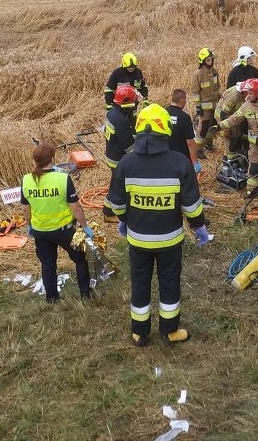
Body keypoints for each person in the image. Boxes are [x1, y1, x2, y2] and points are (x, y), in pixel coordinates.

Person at [105, 104, 210, 347]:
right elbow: (192, 205)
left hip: (138, 240)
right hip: (170, 240)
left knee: (140, 282)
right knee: (169, 282)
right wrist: (199, 227)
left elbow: (116, 204)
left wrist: (123, 221)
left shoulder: (125, 163)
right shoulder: (180, 163)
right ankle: (169, 331)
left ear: (139, 129)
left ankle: (140, 333)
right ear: (166, 131)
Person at [21, 142, 93, 303]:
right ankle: (85, 293)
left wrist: (30, 226)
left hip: (40, 230)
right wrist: (85, 226)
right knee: (80, 259)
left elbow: (26, 210)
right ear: (53, 158)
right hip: (64, 230)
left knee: (48, 264)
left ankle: (52, 298)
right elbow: (76, 207)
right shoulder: (62, 178)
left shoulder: (26, 180)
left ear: (35, 160)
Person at [103, 85, 137, 223]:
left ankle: (110, 210)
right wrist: (137, 154)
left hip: (112, 154)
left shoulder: (112, 113)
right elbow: (127, 144)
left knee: (116, 183)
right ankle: (108, 213)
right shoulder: (121, 120)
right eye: (132, 102)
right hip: (118, 159)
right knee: (118, 186)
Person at [189, 47, 221, 157]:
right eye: (208, 60)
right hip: (204, 107)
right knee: (203, 127)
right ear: (202, 61)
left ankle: (209, 143)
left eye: (211, 60)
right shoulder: (198, 74)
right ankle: (198, 150)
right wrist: (198, 106)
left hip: (215, 105)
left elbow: (217, 88)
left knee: (213, 126)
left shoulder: (214, 72)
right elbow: (195, 92)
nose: (210, 62)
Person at [166, 88, 201, 173]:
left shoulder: (163, 113)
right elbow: (190, 142)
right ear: (181, 101)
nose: (185, 102)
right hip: (180, 157)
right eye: (185, 100)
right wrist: (195, 162)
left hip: (164, 156)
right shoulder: (184, 117)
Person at [214, 80, 247, 160]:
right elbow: (223, 113)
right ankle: (230, 161)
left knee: (237, 135)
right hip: (224, 117)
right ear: (243, 92)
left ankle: (234, 156)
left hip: (233, 116)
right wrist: (225, 129)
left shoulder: (245, 95)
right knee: (230, 137)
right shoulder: (234, 95)